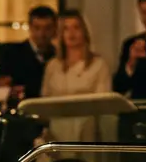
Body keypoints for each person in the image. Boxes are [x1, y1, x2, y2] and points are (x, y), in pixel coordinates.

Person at [41, 9, 112, 141]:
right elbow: (45, 100)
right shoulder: (53, 66)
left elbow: (103, 102)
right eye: (66, 29)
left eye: (76, 27)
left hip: (87, 130)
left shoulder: (98, 65)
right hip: (57, 129)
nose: (71, 33)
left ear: (84, 32)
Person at [0, 5, 57, 101]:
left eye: (47, 28)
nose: (42, 33)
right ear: (30, 27)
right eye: (37, 28)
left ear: (54, 29)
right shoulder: (11, 54)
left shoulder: (58, 56)